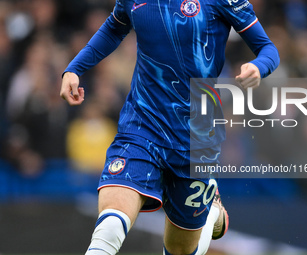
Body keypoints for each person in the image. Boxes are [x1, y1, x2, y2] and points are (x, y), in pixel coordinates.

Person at [60, 0, 280, 254]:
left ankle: (210, 215)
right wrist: (75, 68)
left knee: (179, 250)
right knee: (110, 224)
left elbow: (267, 48)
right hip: (142, 124)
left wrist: (258, 67)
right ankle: (209, 208)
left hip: (197, 138)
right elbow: (114, 27)